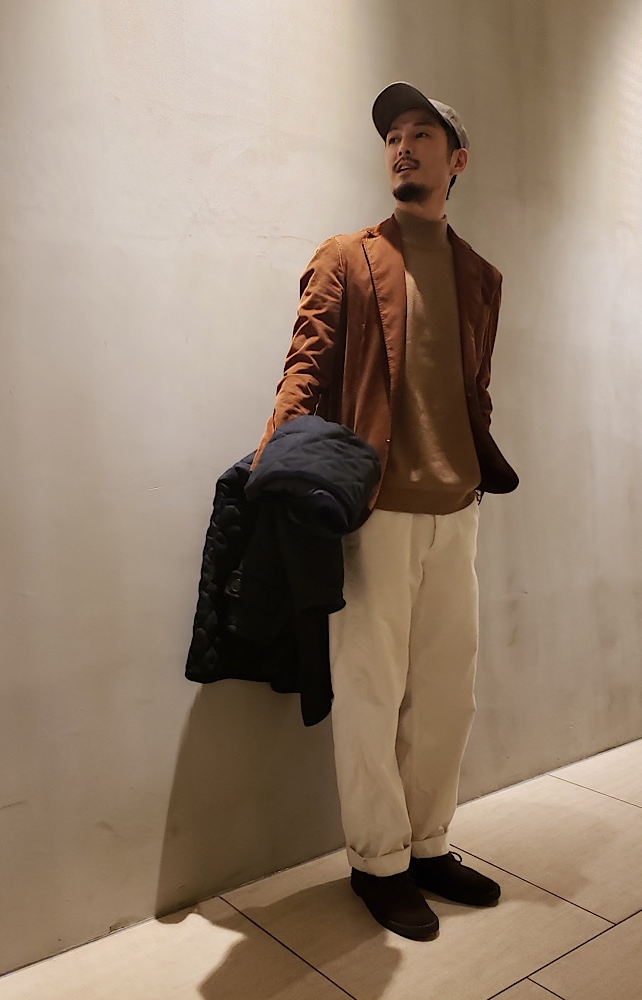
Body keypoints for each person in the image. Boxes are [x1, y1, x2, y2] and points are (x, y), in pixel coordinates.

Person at [254, 82, 518, 941]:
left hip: (457, 509)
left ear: (456, 159)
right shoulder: (347, 257)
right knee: (372, 693)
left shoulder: (480, 277)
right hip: (376, 514)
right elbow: (306, 363)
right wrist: (275, 461)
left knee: (448, 695)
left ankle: (429, 845)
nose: (402, 146)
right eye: (393, 136)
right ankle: (379, 864)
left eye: (421, 134)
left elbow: (474, 388)